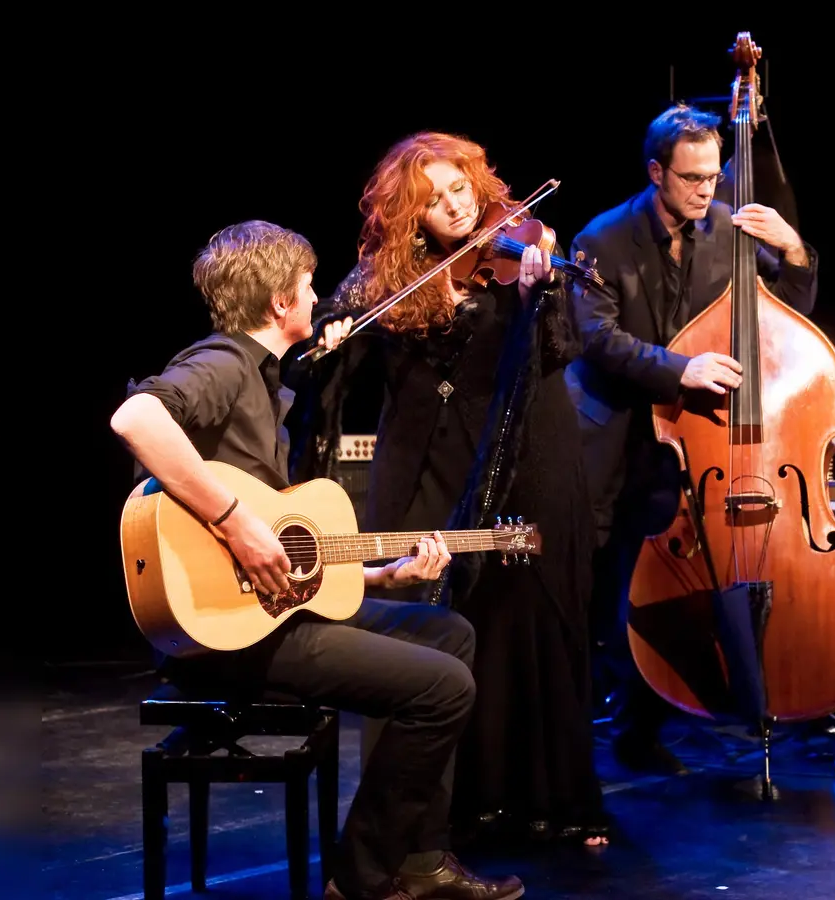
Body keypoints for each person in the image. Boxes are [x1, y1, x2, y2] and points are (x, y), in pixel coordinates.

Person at [110, 220, 523, 900]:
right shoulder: (223, 362)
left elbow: (284, 556)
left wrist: (377, 575)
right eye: (307, 286)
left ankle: (420, 858)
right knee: (443, 689)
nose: (317, 296)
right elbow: (137, 419)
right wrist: (234, 519)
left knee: (450, 632)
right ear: (280, 302)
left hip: (262, 612)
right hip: (229, 637)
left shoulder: (262, 378)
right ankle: (359, 880)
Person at [287, 132, 607, 848]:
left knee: (529, 615)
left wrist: (535, 293)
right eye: (433, 201)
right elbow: (327, 350)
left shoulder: (525, 245)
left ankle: (548, 801)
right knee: (431, 623)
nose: (456, 208)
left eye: (460, 188)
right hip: (426, 457)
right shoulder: (384, 275)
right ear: (410, 217)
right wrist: (329, 342)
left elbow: (561, 348)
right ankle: (429, 818)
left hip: (526, 452)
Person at [566, 103, 819, 773]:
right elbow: (594, 339)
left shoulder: (726, 235)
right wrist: (681, 369)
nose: (709, 190)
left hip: (694, 445)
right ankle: (615, 729)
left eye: (714, 175)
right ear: (657, 172)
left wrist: (793, 251)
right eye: (693, 179)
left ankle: (658, 722)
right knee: (618, 590)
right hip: (621, 438)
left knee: (679, 586)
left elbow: (785, 318)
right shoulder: (601, 238)